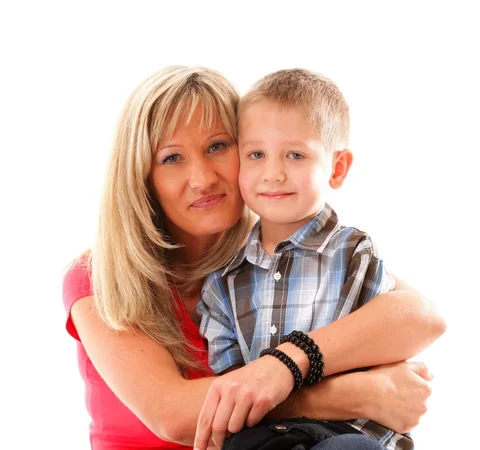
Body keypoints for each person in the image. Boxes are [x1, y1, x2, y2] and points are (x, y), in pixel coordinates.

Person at [62, 65, 445, 450]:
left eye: (217, 147)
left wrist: (286, 362)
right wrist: (352, 395)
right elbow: (173, 414)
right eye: (172, 158)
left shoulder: (276, 248)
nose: (203, 178)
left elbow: (421, 316)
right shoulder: (97, 275)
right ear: (141, 175)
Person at [195, 69, 439, 450]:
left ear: (337, 168)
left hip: (344, 433)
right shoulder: (223, 284)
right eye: (256, 155)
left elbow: (388, 352)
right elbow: (234, 386)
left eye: (295, 155)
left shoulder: (354, 256)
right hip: (264, 438)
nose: (273, 174)